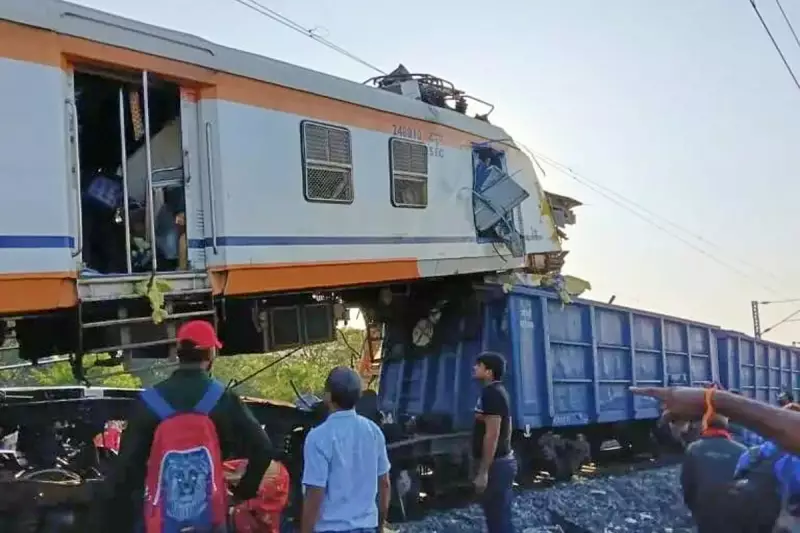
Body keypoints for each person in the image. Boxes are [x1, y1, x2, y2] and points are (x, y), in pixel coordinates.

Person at [96, 320, 274, 532]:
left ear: (178, 353)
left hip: (160, 521)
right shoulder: (223, 400)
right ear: (211, 354)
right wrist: (243, 491)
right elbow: (263, 448)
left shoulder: (149, 401)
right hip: (210, 520)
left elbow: (125, 469)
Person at [301, 366, 391, 533]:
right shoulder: (373, 431)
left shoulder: (318, 437)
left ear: (328, 396)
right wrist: (379, 526)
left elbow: (315, 493)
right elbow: (384, 484)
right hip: (367, 527)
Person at [472, 351, 516, 533]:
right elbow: (507, 426)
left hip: (497, 466)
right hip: (502, 462)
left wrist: (483, 472)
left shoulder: (492, 393)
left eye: (479, 365)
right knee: (498, 517)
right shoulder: (497, 392)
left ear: (489, 372)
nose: (475, 368)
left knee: (498, 521)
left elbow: (492, 434)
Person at [679, 414, 746, 531]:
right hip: (734, 512)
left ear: (706, 425)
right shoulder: (742, 451)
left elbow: (687, 485)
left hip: (704, 509)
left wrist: (695, 508)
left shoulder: (693, 449)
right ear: (726, 426)